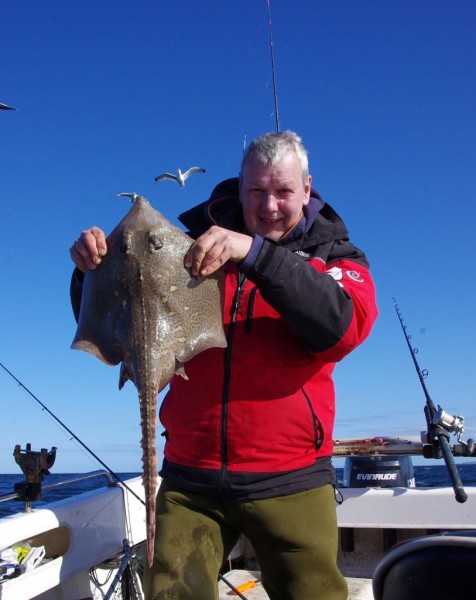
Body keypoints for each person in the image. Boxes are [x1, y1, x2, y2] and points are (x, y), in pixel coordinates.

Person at [70, 131, 378, 600]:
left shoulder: (333, 257)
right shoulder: (189, 248)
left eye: (283, 191)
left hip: (290, 476)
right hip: (191, 477)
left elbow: (340, 327)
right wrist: (92, 269)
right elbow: (121, 320)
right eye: (257, 191)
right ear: (239, 188)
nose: (270, 205)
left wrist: (255, 255)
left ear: (307, 188)